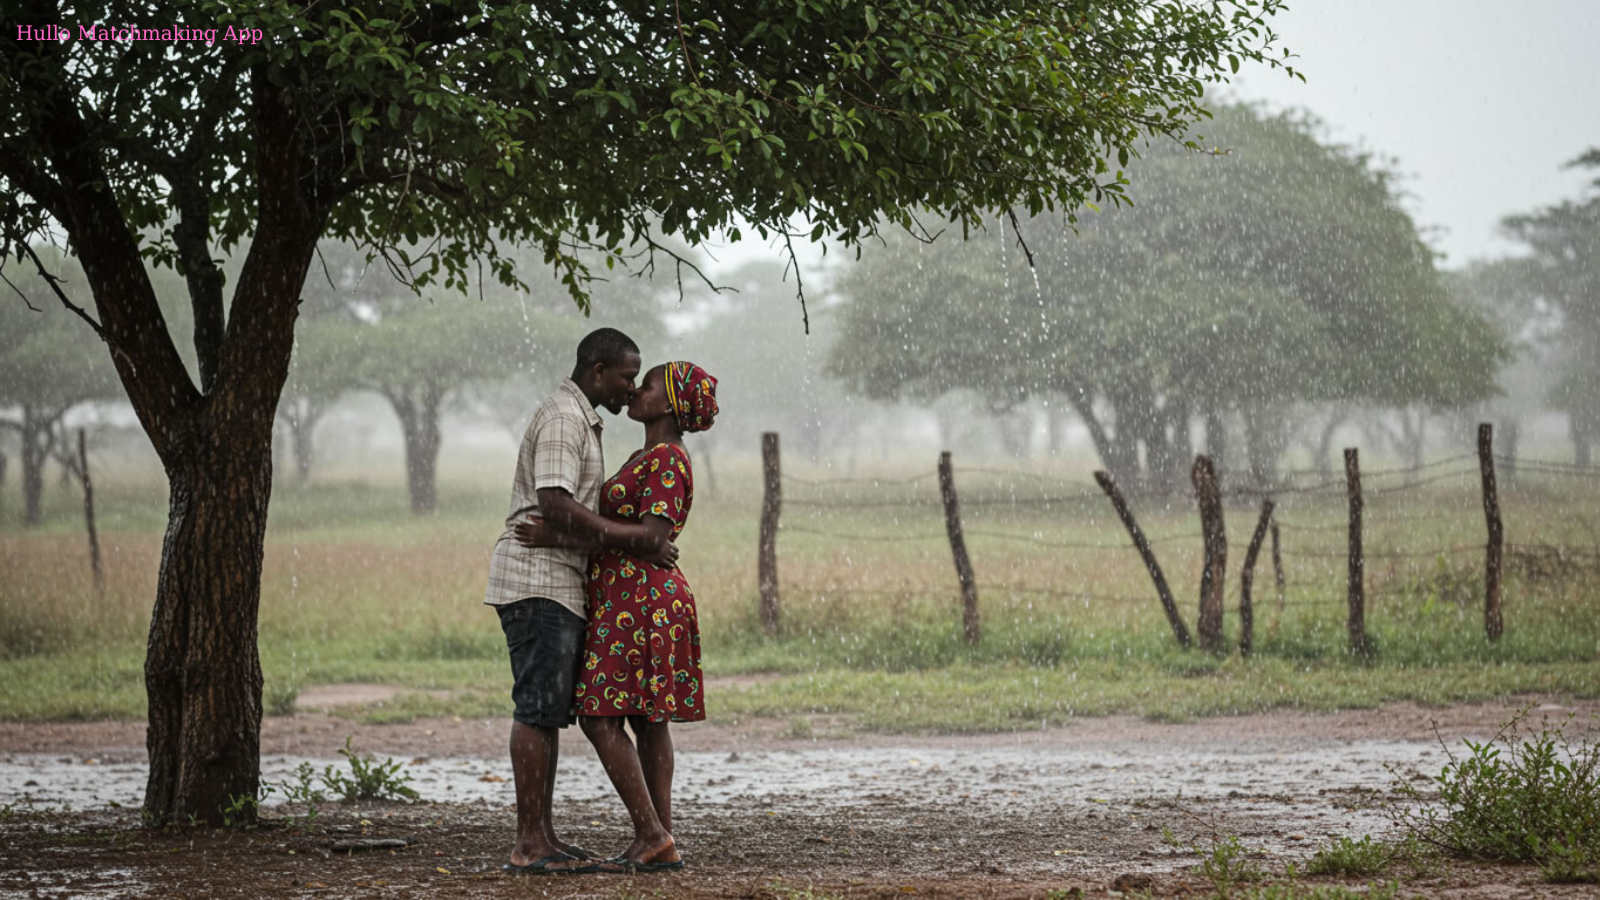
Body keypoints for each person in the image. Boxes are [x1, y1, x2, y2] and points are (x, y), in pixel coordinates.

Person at [484, 328, 679, 876]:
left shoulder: (582, 420)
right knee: (538, 709)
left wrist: (619, 539)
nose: (630, 387)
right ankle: (529, 841)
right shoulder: (567, 419)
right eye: (624, 376)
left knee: (547, 712)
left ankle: (541, 835)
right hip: (537, 581)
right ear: (597, 371)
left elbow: (563, 515)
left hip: (558, 580)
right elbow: (554, 503)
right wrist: (632, 539)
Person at [514, 361, 718, 875]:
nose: (634, 391)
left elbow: (652, 538)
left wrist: (558, 536)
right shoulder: (646, 455)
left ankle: (653, 835)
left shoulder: (667, 460)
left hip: (641, 600)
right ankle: (660, 838)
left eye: (646, 385)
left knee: (599, 715)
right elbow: (634, 536)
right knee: (648, 719)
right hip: (631, 594)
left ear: (668, 403)